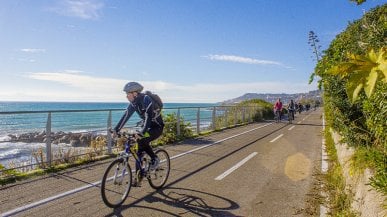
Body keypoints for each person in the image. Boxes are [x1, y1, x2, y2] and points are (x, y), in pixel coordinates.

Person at [113, 82, 164, 174]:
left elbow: (148, 117)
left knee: (141, 140)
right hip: (146, 127)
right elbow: (126, 116)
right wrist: (116, 129)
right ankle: (139, 175)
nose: (127, 96)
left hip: (156, 127)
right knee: (138, 147)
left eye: (128, 94)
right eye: (126, 94)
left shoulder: (146, 99)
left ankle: (154, 158)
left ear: (135, 93)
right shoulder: (134, 103)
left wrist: (142, 132)